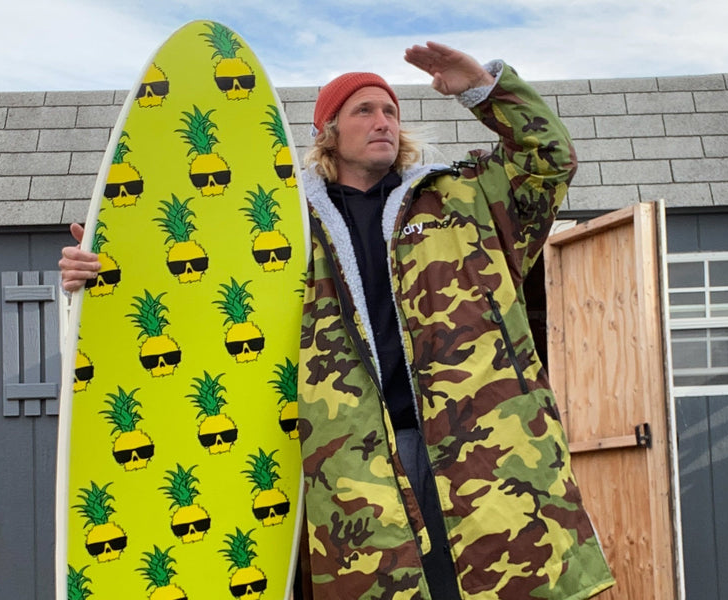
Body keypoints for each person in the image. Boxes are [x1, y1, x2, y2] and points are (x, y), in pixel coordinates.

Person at [60, 42, 614, 600]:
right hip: (353, 464)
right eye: (364, 111)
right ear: (327, 131)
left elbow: (549, 159)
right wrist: (105, 275)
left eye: (391, 111)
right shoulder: (277, 233)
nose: (383, 121)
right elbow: (196, 305)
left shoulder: (464, 198)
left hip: (485, 447)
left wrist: (484, 90)